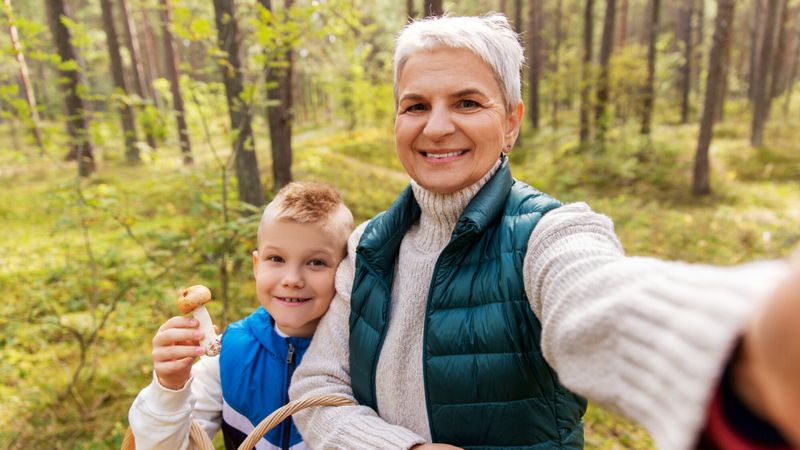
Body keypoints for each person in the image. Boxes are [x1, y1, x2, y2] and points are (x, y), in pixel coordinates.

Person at [288, 14, 800, 450]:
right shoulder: (368, 246)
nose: (437, 126)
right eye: (416, 105)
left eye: (467, 103)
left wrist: (747, 336)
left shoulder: (550, 234)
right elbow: (317, 387)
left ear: (511, 122)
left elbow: (599, 301)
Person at [128, 181, 354, 449]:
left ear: (346, 271)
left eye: (316, 262)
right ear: (256, 266)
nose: (292, 279)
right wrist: (170, 387)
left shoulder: (362, 359)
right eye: (277, 259)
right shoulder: (227, 356)